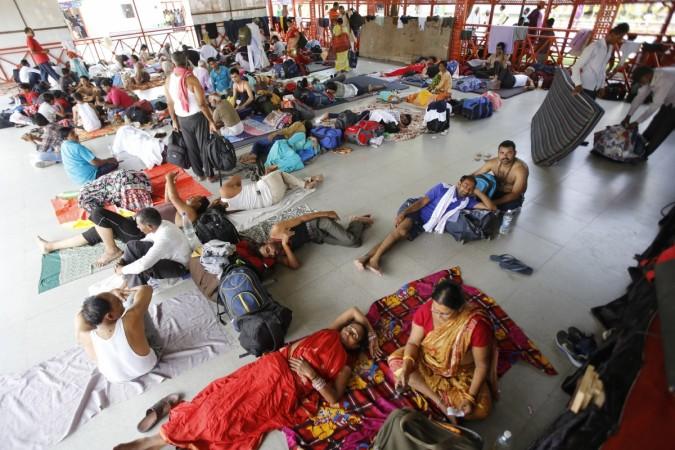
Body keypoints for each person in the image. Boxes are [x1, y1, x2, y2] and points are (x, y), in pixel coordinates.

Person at [113, 307, 381, 450]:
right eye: (350, 329)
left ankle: (163, 439)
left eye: (355, 336)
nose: (350, 332)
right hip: (270, 367)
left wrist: (312, 376)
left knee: (229, 422)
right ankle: (162, 439)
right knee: (217, 397)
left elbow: (333, 398)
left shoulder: (345, 363)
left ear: (354, 347)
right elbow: (354, 311)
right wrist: (369, 332)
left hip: (285, 390)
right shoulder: (330, 332)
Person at [390, 279, 497, 420]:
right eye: (435, 310)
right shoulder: (426, 310)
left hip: (461, 372)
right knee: (396, 361)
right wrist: (406, 369)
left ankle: (426, 387)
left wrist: (470, 398)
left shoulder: (475, 326)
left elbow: (482, 365)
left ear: (460, 309)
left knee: (482, 410)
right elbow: (413, 343)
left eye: (445, 314)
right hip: (428, 360)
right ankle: (440, 402)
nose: (437, 316)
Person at [355, 176, 495, 275]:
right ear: (459, 183)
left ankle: (364, 258)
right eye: (465, 186)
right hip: (416, 211)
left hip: (426, 224)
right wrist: (404, 213)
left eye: (470, 189)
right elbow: (421, 202)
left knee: (397, 236)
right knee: (401, 232)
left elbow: (491, 208)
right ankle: (374, 260)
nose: (466, 190)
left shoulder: (467, 202)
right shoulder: (442, 188)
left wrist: (478, 192)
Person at [75, 286, 160, 383]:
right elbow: (146, 289)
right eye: (119, 302)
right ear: (110, 316)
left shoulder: (84, 336)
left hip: (117, 379)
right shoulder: (130, 319)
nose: (122, 303)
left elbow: (80, 315)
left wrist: (110, 293)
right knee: (133, 302)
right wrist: (127, 291)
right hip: (149, 366)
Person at [165, 51, 219, 181]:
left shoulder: (168, 80)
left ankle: (199, 174)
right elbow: (202, 104)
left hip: (181, 118)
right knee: (203, 145)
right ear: (186, 61)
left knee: (191, 147)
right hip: (197, 117)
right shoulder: (191, 79)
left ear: (173, 64)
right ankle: (210, 175)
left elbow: (169, 103)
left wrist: (174, 120)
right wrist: (211, 121)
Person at [258, 211, 374, 269]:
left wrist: (327, 213)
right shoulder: (279, 254)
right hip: (318, 237)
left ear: (267, 241)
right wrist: (285, 245)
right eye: (270, 256)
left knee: (351, 240)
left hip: (318, 224)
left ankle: (356, 220)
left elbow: (303, 218)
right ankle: (358, 221)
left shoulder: (277, 229)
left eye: (268, 250)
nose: (272, 253)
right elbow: (296, 265)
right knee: (356, 243)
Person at [113, 208, 191, 288]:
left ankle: (133, 289)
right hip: (169, 257)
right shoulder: (162, 224)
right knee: (132, 245)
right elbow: (144, 241)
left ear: (149, 226)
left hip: (180, 267)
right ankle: (128, 281)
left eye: (139, 225)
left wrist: (121, 270)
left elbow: (143, 265)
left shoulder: (165, 238)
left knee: (144, 268)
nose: (137, 227)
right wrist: (123, 258)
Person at [622, 66, 675, 158]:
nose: (640, 83)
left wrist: (637, 122)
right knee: (656, 122)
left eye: (640, 80)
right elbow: (639, 97)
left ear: (647, 75)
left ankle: (645, 154)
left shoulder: (664, 80)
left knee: (664, 127)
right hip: (670, 98)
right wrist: (628, 116)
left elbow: (655, 105)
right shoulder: (651, 77)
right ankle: (639, 147)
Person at [571, 23, 630, 99]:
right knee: (579, 109)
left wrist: (602, 86)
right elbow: (576, 67)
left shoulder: (610, 48)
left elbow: (602, 70)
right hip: (584, 85)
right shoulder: (594, 46)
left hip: (595, 87)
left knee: (589, 110)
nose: (620, 40)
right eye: (619, 37)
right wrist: (577, 84)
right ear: (612, 34)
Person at [220, 169, 323, 211]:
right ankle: (305, 184)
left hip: (272, 200)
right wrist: (233, 183)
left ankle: (310, 179)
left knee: (285, 183)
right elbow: (237, 178)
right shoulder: (223, 191)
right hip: (268, 188)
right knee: (280, 173)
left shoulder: (229, 211)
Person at [472, 140, 529, 210]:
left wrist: (492, 202)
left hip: (511, 196)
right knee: (474, 197)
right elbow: (475, 174)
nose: (505, 156)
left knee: (508, 208)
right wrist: (461, 182)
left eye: (509, 153)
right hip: (496, 190)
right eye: (502, 153)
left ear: (515, 153)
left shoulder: (520, 169)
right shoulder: (493, 162)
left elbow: (515, 194)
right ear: (498, 153)